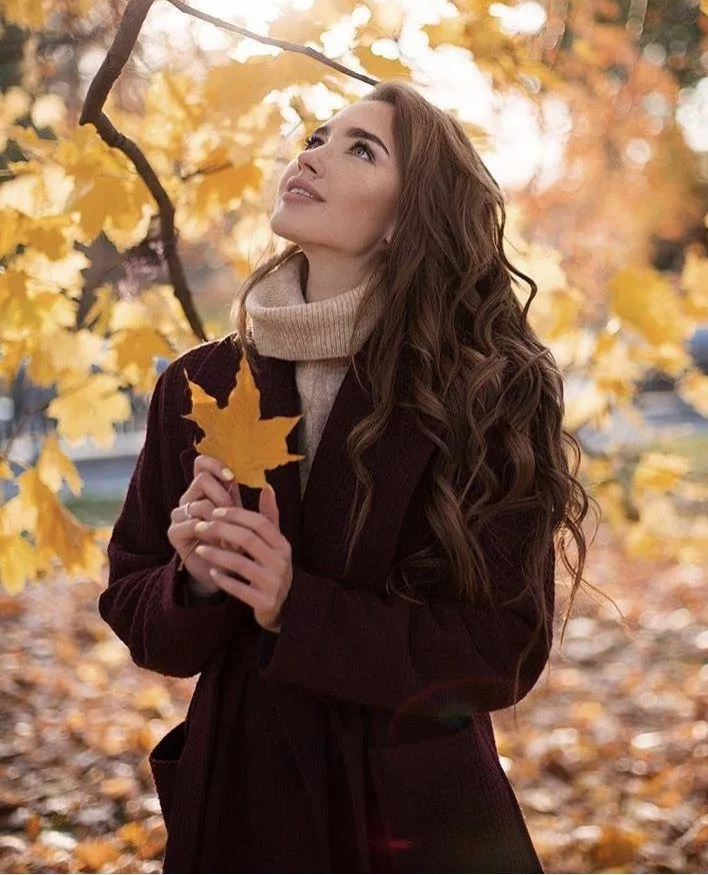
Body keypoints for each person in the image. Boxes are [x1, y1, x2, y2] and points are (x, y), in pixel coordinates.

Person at [99, 79, 594, 873]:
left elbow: (503, 648)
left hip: (414, 821)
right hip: (245, 810)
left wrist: (295, 607)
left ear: (407, 217)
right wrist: (195, 581)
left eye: (361, 149)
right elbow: (135, 605)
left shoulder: (488, 389)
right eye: (317, 137)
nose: (313, 156)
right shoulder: (200, 384)